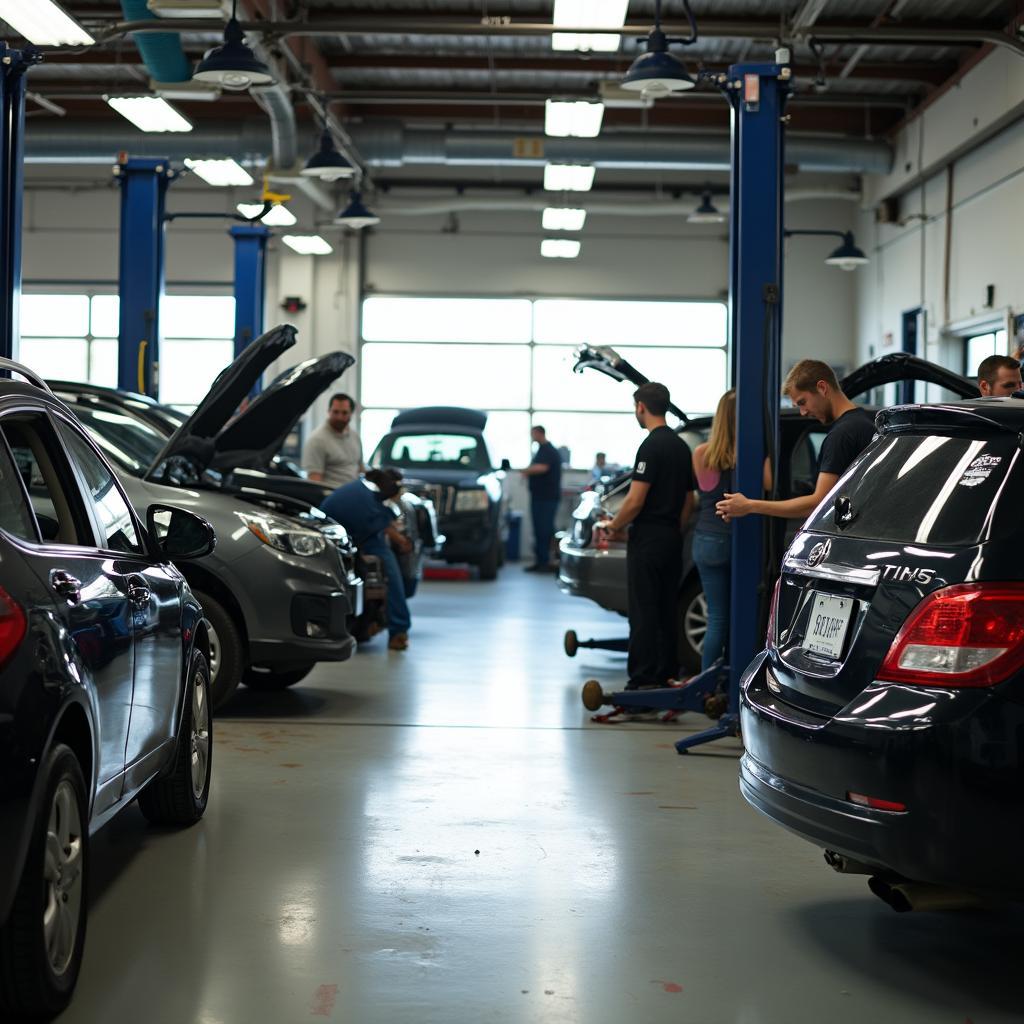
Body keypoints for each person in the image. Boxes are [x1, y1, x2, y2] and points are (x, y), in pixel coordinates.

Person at [594, 383, 695, 690]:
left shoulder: (650, 447)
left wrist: (613, 526)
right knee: (666, 608)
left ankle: (642, 680)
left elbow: (635, 500)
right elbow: (689, 500)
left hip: (648, 539)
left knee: (643, 611)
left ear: (641, 407)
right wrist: (673, 528)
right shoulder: (681, 446)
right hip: (671, 538)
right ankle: (666, 674)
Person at [716, 358, 875, 523]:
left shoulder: (842, 434)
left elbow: (817, 504)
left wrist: (750, 505)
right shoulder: (863, 423)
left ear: (822, 388)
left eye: (802, 402)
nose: (803, 412)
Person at [321, 469, 414, 651]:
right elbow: (384, 527)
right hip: (349, 539)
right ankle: (399, 630)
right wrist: (403, 542)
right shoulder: (369, 501)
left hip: (337, 536)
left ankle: (379, 622)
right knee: (392, 572)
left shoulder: (359, 488)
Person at [521, 425, 562, 572]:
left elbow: (542, 468)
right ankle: (541, 561)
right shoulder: (542, 450)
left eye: (533, 434)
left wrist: (525, 471)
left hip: (546, 498)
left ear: (539, 433)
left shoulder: (548, 450)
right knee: (540, 530)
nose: (532, 437)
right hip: (540, 497)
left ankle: (546, 562)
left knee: (544, 530)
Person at [303, 393, 365, 488]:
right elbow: (314, 483)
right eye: (335, 412)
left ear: (351, 413)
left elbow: (361, 469)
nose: (339, 417)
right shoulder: (317, 440)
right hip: (332, 497)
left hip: (354, 493)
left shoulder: (354, 436)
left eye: (344, 413)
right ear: (329, 411)